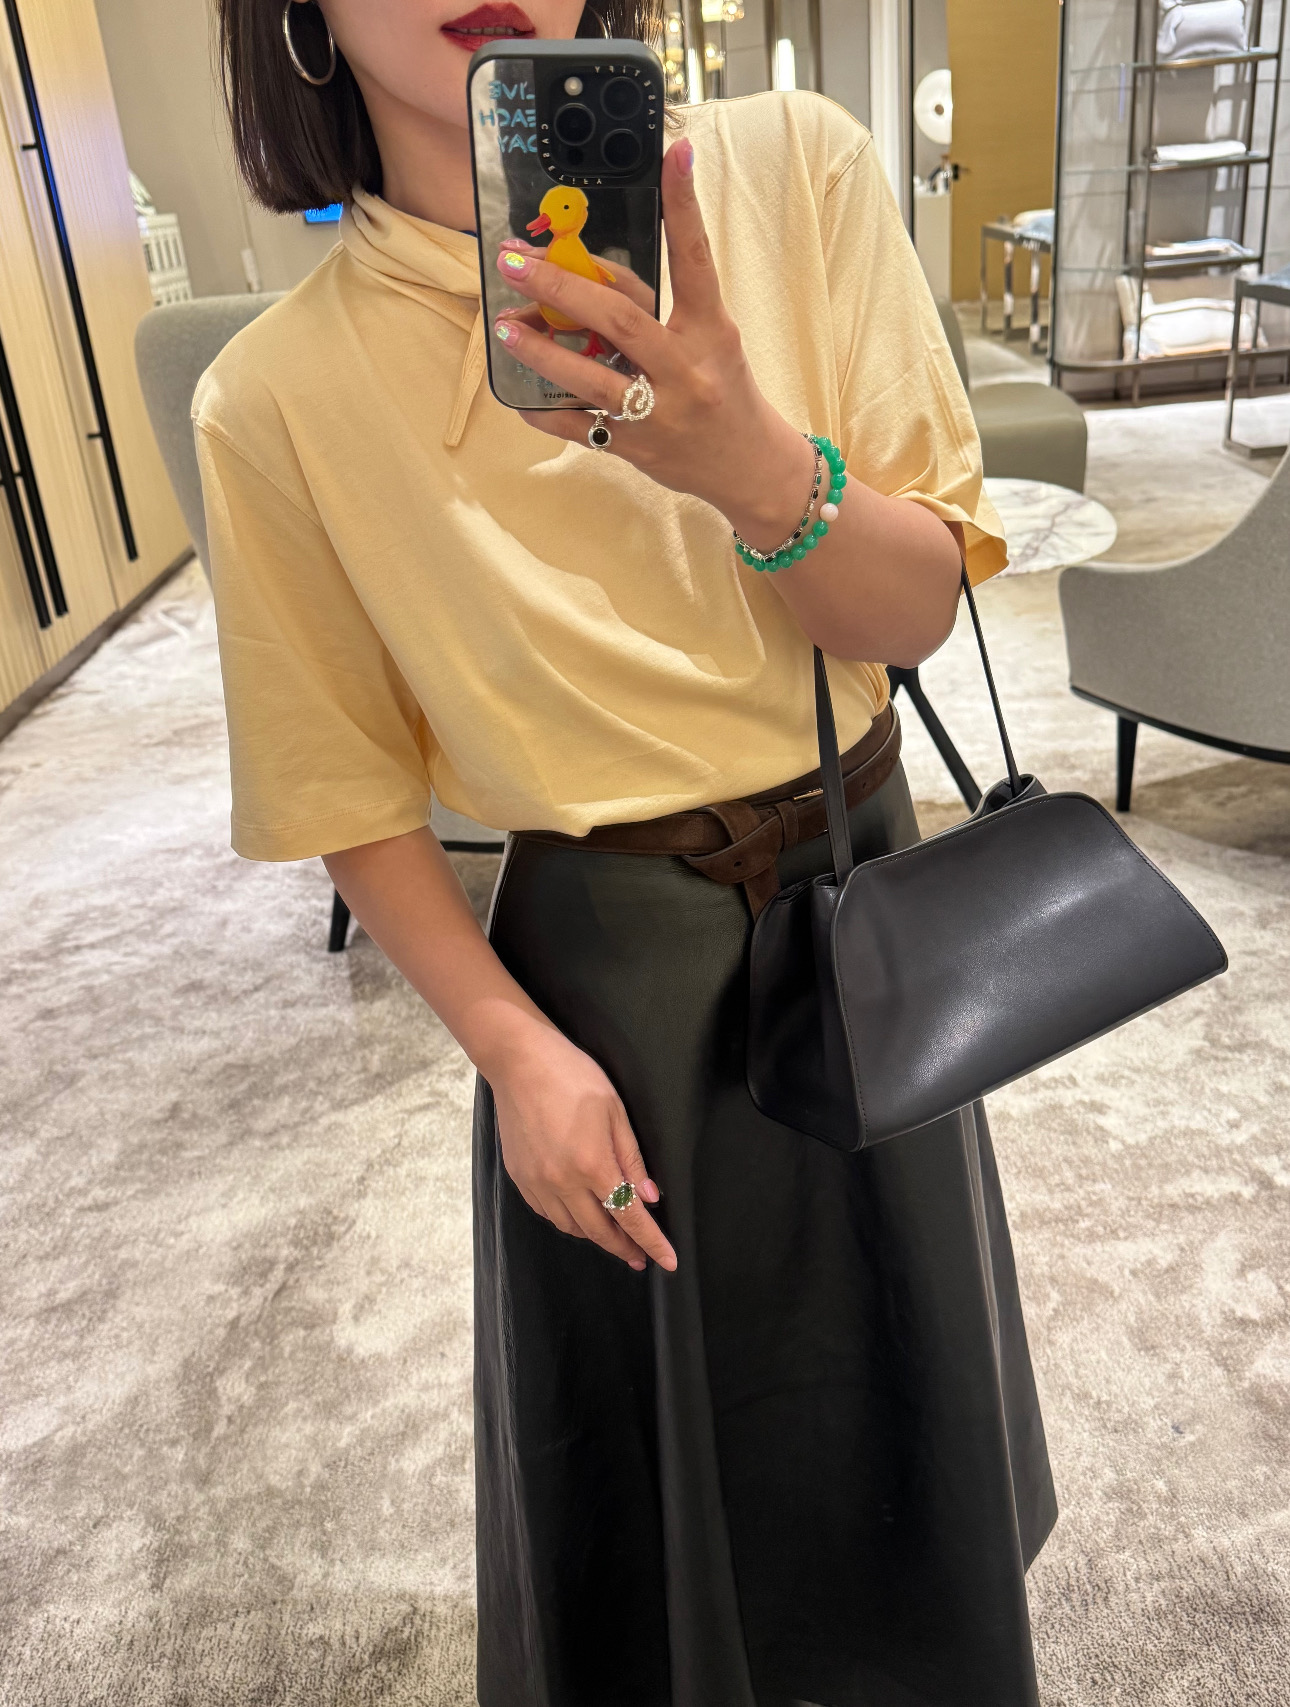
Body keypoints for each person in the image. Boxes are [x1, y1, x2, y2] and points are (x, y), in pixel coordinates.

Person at [200, 2, 1058, 1703]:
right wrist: (512, 1054)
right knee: (653, 1531)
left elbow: (912, 615)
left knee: (903, 1445)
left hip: (865, 893)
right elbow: (342, 788)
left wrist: (744, 462)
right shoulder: (276, 395)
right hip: (603, 986)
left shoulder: (794, 174)